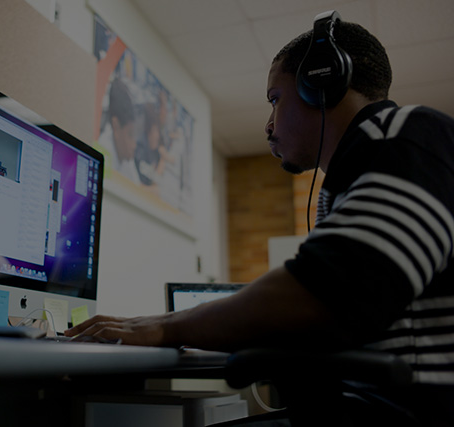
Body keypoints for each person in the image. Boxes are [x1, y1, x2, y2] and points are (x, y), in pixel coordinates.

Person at [66, 12, 454, 426]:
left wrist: (164, 327)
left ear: (320, 81)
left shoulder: (407, 136)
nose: (269, 125)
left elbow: (324, 292)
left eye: (275, 99)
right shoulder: (361, 169)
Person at [98, 77, 140, 184]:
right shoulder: (103, 151)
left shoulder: (126, 155)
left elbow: (136, 187)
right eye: (130, 134)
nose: (134, 144)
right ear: (116, 126)